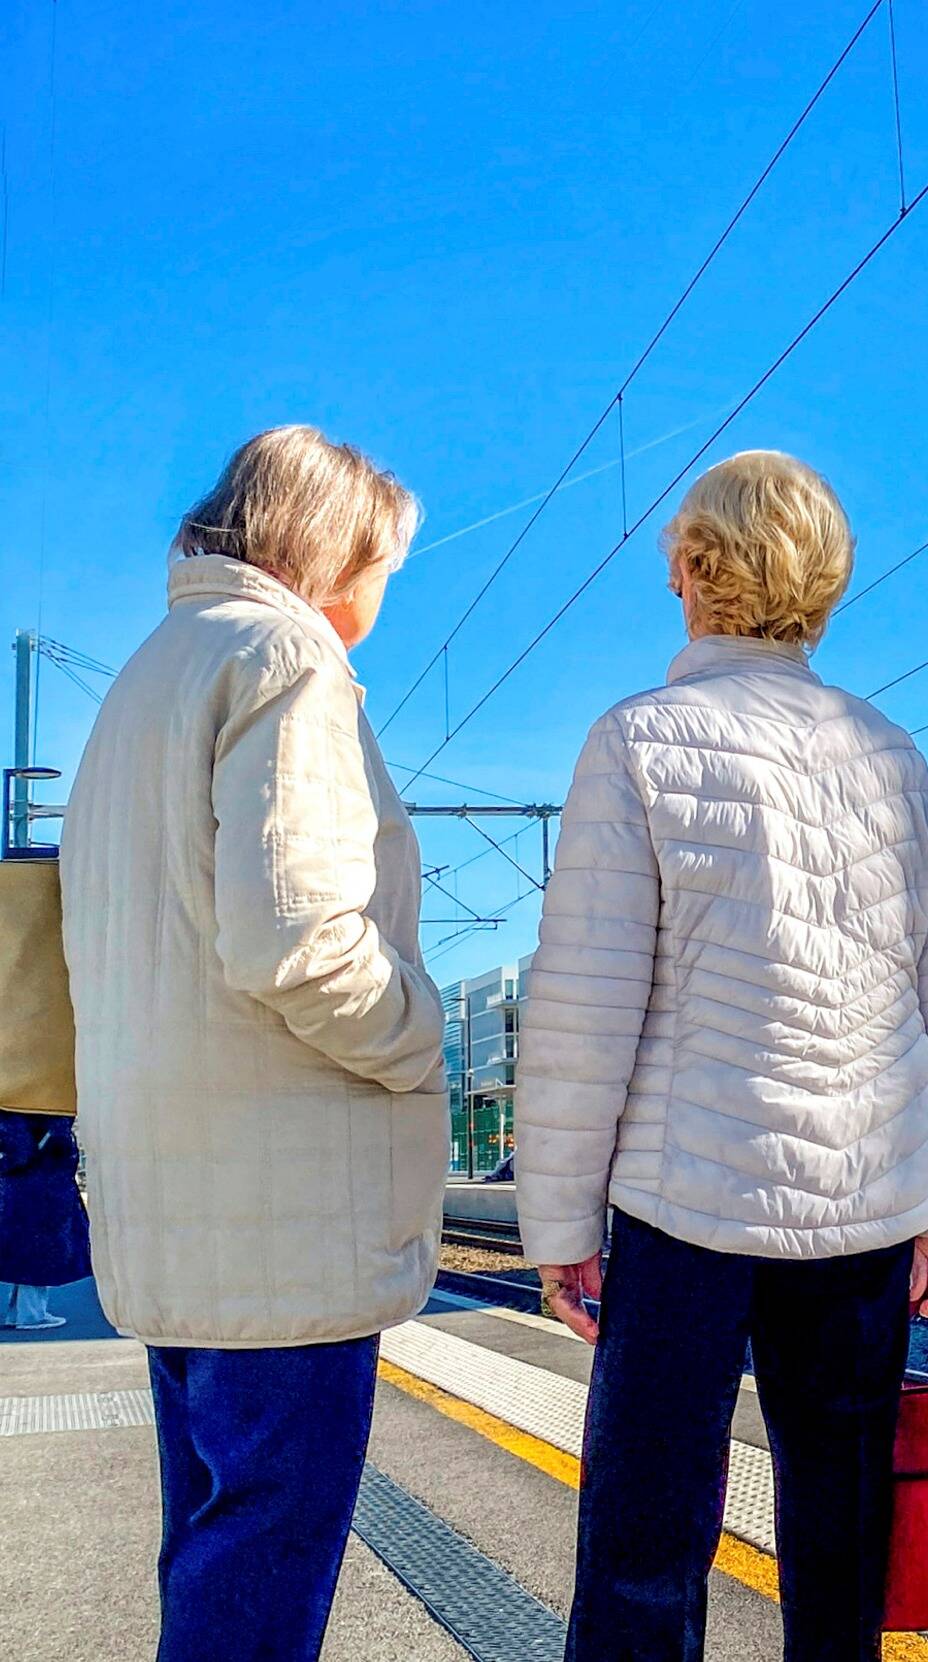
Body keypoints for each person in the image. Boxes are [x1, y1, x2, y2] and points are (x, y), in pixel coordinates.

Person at [514, 449, 928, 1662]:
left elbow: (585, 1005)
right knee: (841, 1530)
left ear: (689, 568)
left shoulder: (639, 741)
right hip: (870, 1202)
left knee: (645, 1536)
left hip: (691, 1204)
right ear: (825, 584)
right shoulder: (894, 755)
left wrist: (560, 1222)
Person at [60, 426, 446, 1662]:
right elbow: (297, 940)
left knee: (213, 1556)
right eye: (383, 564)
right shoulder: (287, 659)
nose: (382, 594)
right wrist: (418, 1039)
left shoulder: (146, 677)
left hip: (172, 1208)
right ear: (332, 553)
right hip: (282, 1226)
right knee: (265, 1575)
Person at [0, 1108, 90, 1330]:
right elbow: (34, 1148)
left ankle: (18, 1312)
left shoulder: (12, 1107)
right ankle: (30, 1314)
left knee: (21, 1255)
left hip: (18, 1187)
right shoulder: (47, 1110)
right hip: (43, 1187)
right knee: (39, 1255)